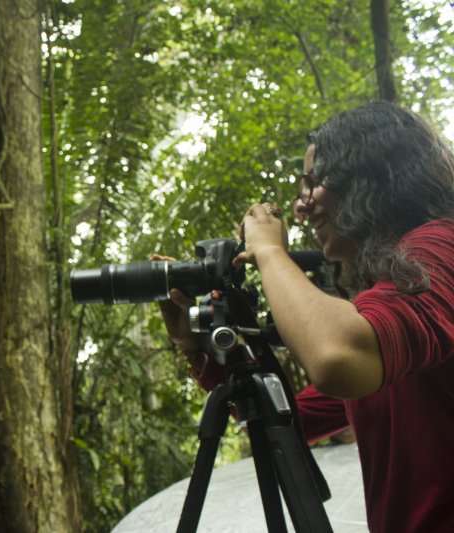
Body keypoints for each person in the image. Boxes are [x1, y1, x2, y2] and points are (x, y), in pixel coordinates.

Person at [157, 101, 454, 532]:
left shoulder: (443, 246)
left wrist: (270, 253)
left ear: (370, 174)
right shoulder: (386, 306)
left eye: (314, 183)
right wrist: (193, 344)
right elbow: (287, 416)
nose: (301, 207)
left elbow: (336, 355)